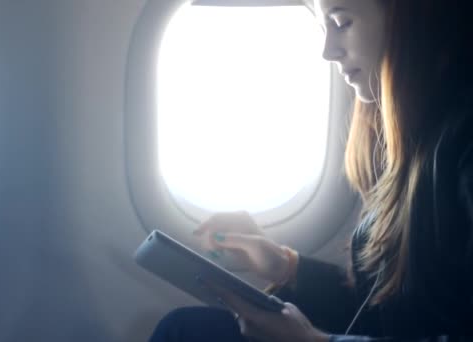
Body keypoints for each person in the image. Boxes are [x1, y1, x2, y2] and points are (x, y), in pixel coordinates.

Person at [149, 0, 473, 341]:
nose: (328, 50)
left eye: (342, 22)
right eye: (323, 27)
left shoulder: (463, 143)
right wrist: (284, 265)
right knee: (183, 329)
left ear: (409, 19)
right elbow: (384, 310)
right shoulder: (421, 132)